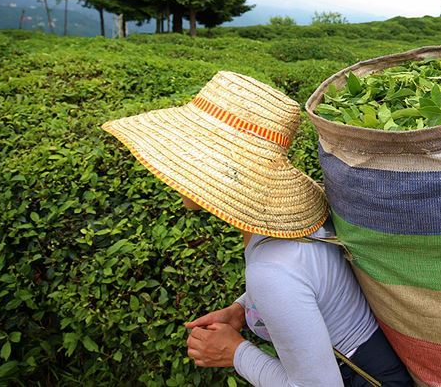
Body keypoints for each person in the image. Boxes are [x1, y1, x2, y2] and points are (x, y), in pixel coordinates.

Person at [101, 71, 412, 386]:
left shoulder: (270, 272)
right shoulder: (292, 231)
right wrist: (241, 310)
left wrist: (234, 353)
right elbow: (309, 283)